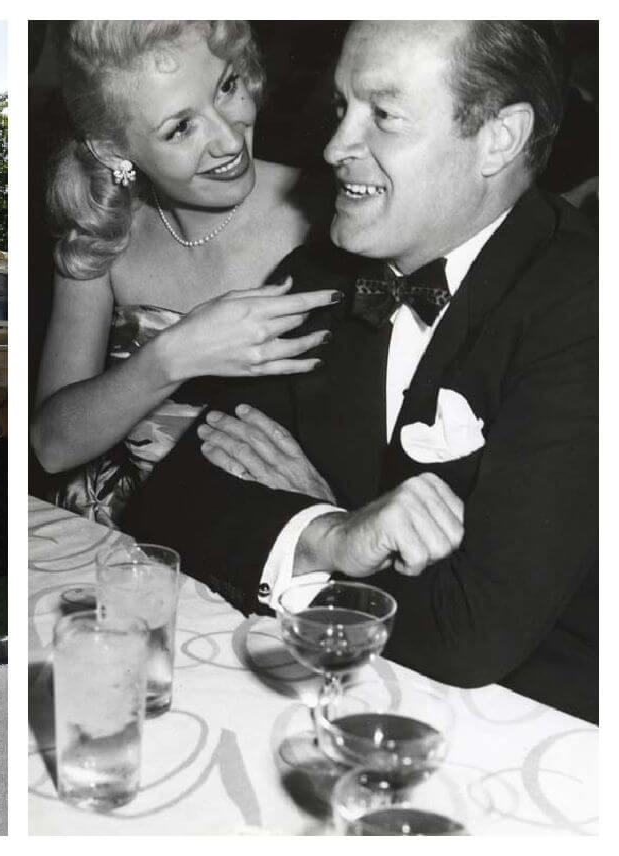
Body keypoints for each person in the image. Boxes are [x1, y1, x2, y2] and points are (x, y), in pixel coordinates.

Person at [124, 21, 597, 723]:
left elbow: (473, 636)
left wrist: (310, 541)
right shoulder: (320, 276)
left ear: (498, 138)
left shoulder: (585, 304)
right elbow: (168, 509)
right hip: (335, 695)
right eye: (343, 107)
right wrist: (330, 535)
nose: (336, 146)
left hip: (534, 736)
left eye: (384, 114)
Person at [31, 20, 339, 526]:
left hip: (273, 541)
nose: (227, 138)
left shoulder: (331, 219)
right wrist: (174, 355)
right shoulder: (102, 236)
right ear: (115, 151)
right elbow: (51, 446)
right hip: (114, 543)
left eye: (227, 87)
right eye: (180, 127)